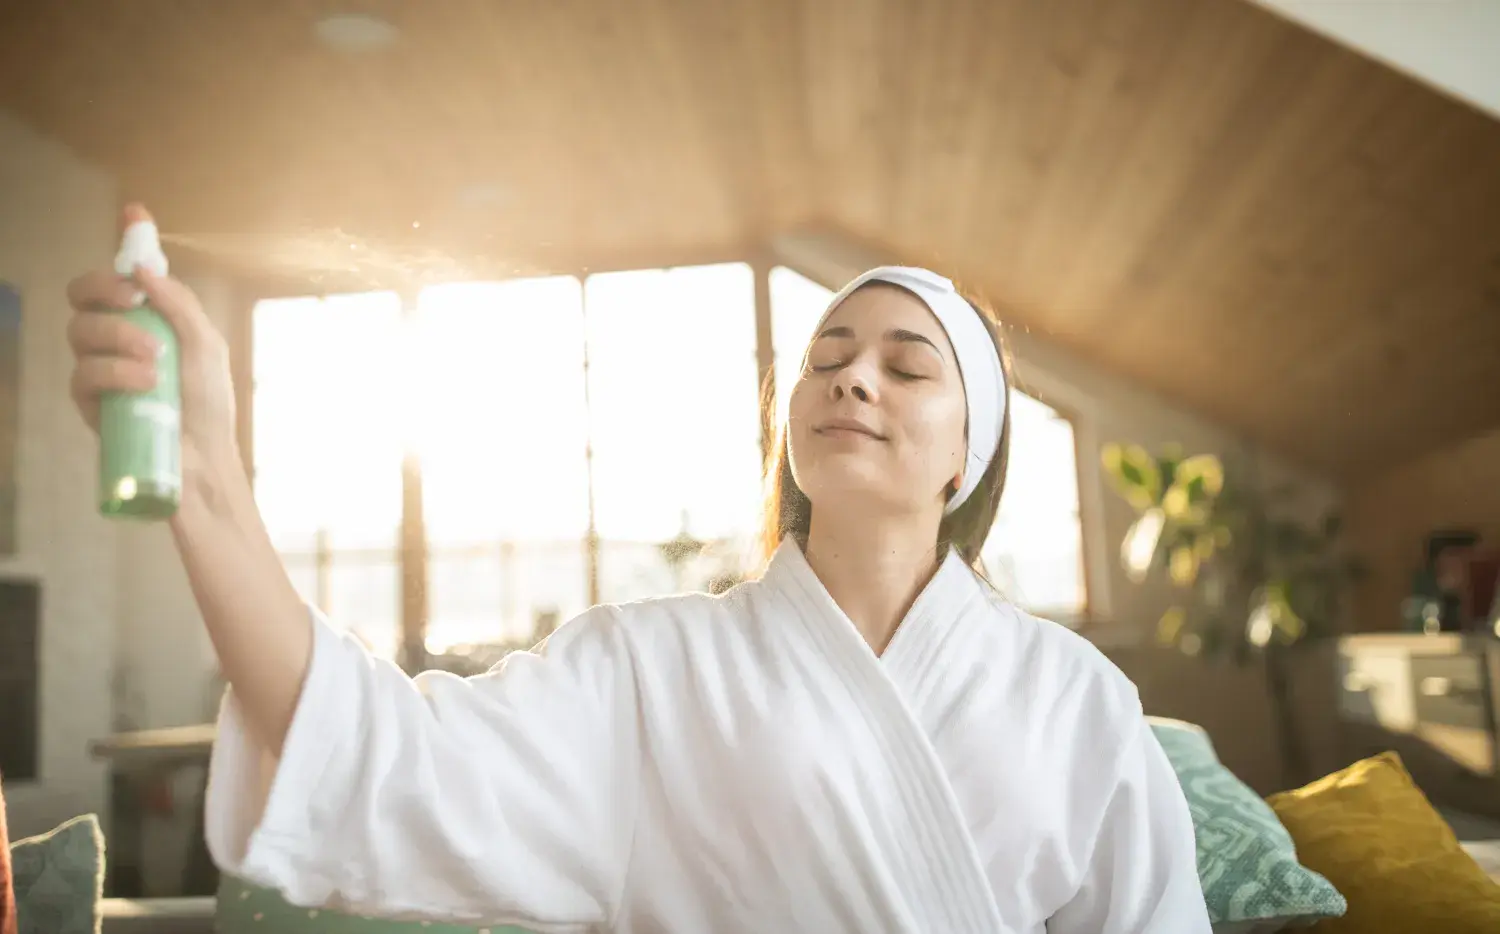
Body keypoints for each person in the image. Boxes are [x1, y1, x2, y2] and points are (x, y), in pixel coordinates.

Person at [66, 216, 1211, 933]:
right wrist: (210, 479)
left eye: (907, 368)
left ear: (970, 454)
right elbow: (382, 754)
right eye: (826, 358)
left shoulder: (1072, 697)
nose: (852, 378)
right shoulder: (650, 669)